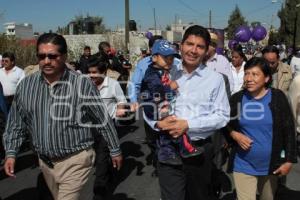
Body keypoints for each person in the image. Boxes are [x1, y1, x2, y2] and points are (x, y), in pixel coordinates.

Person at [3, 33, 122, 200]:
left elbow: (102, 119)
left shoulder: (82, 84)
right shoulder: (26, 86)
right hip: (45, 163)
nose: (46, 61)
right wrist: (11, 152)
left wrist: (114, 149)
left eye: (52, 56)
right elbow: (16, 123)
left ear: (64, 56)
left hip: (76, 160)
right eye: (41, 56)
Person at [146, 25, 230, 200]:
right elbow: (146, 102)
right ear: (181, 45)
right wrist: (156, 123)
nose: (193, 50)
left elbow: (222, 116)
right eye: (189, 44)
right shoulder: (166, 73)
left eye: (200, 46)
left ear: (207, 50)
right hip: (167, 149)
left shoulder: (215, 80)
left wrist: (188, 125)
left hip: (198, 151)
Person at [225, 57, 297, 200]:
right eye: (247, 73)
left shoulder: (277, 97)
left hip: (271, 165)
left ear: (266, 78)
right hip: (243, 164)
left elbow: (288, 130)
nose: (249, 78)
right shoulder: (237, 99)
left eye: (255, 74)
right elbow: (224, 122)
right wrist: (234, 134)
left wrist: (288, 160)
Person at [141, 39, 203, 162]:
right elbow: (157, 90)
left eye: (171, 58)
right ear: (154, 58)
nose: (169, 61)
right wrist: (170, 87)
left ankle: (167, 154)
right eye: (165, 58)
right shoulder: (152, 74)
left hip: (159, 105)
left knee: (168, 131)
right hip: (153, 107)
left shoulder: (162, 71)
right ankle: (185, 150)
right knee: (175, 126)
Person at [87, 58, 127, 200]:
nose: (91, 75)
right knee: (97, 155)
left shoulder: (113, 84)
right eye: (89, 72)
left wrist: (120, 110)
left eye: (94, 72)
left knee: (102, 158)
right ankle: (109, 171)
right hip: (89, 127)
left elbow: (121, 100)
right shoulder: (85, 85)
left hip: (107, 126)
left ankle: (100, 192)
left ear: (103, 73)